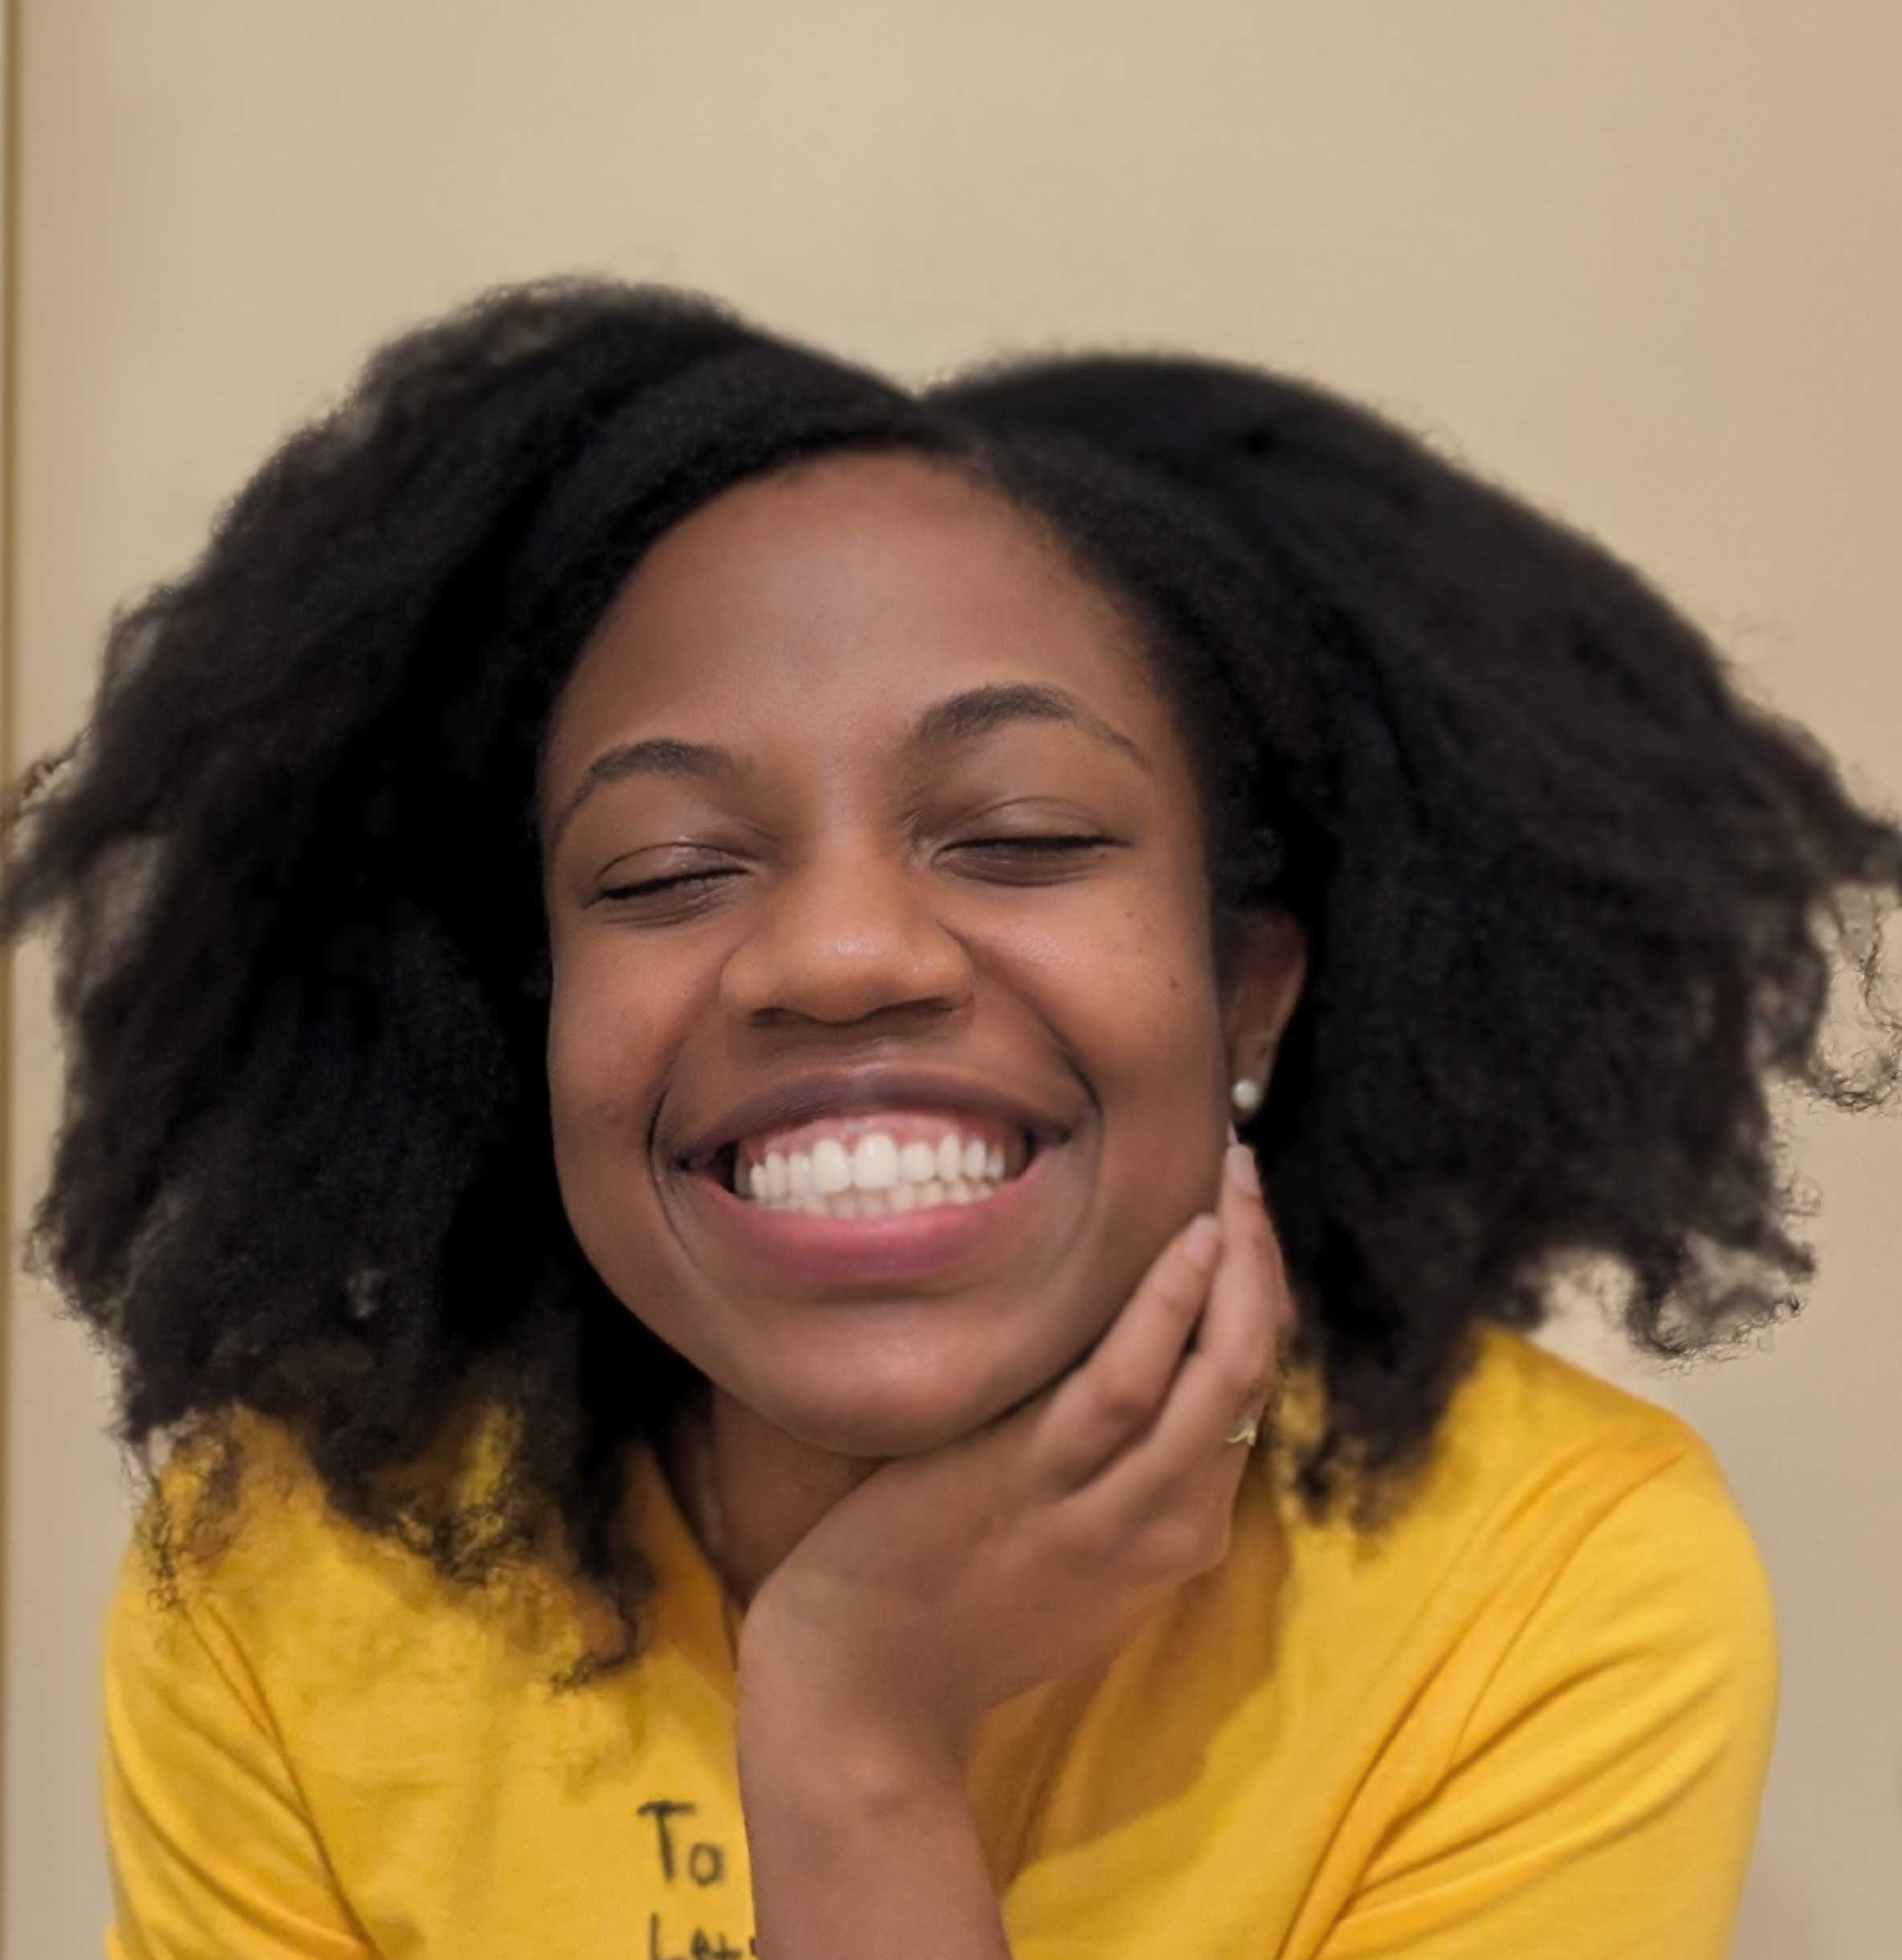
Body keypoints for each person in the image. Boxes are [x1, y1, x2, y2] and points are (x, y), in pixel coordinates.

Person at [5, 279, 1897, 1960]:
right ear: (531, 1008)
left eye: (1018, 837)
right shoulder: (288, 1572)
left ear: (1250, 980)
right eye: (663, 872)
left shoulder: (1550, 1590)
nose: (835, 955)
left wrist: (856, 1747)